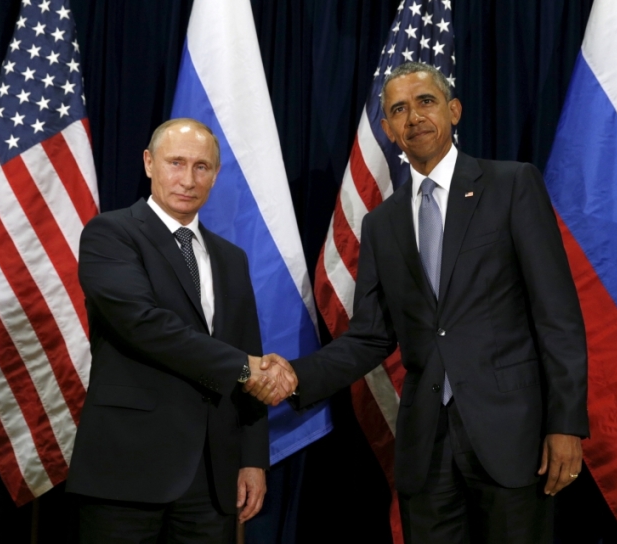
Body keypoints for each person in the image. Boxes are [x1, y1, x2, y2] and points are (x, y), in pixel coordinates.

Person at [247, 62, 589, 543]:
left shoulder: (512, 185)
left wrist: (566, 424)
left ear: (454, 110)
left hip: (512, 436)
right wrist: (296, 376)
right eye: (399, 110)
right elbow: (370, 336)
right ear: (388, 130)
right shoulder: (381, 224)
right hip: (426, 449)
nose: (414, 117)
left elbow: (557, 315)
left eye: (426, 102)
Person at [67, 118, 295, 543]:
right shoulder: (111, 234)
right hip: (127, 470)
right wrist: (246, 367)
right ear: (149, 163)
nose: (188, 179)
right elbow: (144, 324)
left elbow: (249, 349)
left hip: (211, 476)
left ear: (216, 174)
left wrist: (252, 458)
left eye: (201, 167)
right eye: (176, 162)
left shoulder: (231, 258)